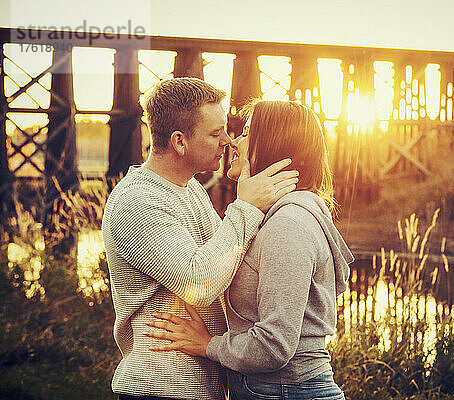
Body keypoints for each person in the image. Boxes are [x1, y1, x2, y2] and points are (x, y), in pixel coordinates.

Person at [101, 79, 299, 400]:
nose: (228, 141)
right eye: (215, 133)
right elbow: (200, 285)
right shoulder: (138, 201)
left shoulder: (189, 187)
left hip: (196, 385)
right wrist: (246, 205)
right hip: (162, 386)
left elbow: (225, 259)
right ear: (180, 141)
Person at [144, 100, 354, 400]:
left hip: (287, 391)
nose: (233, 142)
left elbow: (274, 345)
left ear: (273, 145)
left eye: (246, 133)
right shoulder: (275, 216)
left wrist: (208, 345)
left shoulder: (288, 224)